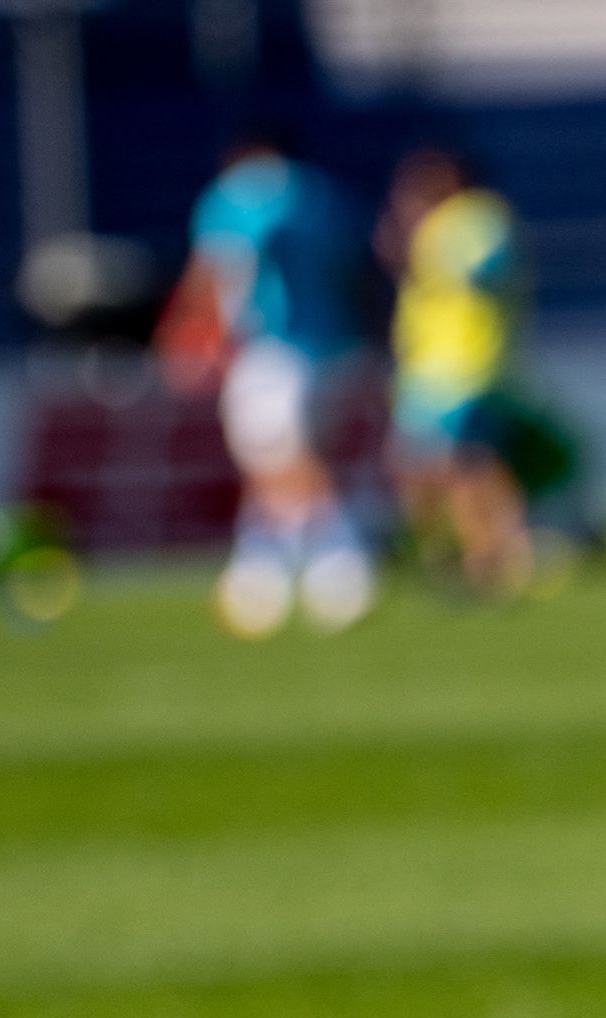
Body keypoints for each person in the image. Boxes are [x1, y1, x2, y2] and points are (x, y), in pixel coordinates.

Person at [171, 128, 375, 637]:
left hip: (269, 344)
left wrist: (193, 331)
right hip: (328, 342)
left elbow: (222, 263)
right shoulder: (326, 194)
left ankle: (340, 560)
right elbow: (358, 267)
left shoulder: (241, 192)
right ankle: (260, 570)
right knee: (277, 458)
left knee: (278, 457)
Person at [375, 146, 532, 596]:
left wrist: (413, 240)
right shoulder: (437, 223)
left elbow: (486, 272)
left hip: (465, 365)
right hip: (428, 367)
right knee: (428, 467)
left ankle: (492, 555)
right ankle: (459, 553)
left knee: (463, 463)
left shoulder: (476, 216)